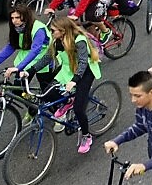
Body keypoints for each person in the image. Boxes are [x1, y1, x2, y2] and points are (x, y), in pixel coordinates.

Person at [21, 16, 102, 153]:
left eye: (53, 30)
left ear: (62, 31)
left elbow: (83, 63)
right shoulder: (57, 41)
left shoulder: (79, 40)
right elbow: (47, 58)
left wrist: (74, 81)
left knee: (79, 110)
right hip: (68, 70)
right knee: (48, 93)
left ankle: (86, 136)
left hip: (85, 72)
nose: (51, 33)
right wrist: (30, 71)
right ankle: (69, 99)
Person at [0, 4, 54, 91]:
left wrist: (18, 67)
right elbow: (11, 47)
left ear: (25, 17)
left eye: (17, 17)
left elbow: (36, 50)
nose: (14, 21)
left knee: (46, 91)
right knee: (17, 91)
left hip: (43, 61)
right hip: (26, 61)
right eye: (12, 18)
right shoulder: (17, 28)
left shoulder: (38, 28)